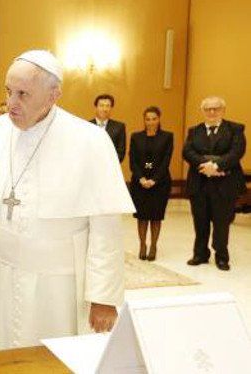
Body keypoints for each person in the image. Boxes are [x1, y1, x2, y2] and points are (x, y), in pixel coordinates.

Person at [0, 50, 134, 352]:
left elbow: (105, 228)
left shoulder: (91, 142)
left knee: (53, 359)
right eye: (8, 91)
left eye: (23, 94)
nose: (11, 103)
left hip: (58, 285)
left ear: (53, 95)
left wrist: (103, 298)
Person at [183, 97, 246, 271]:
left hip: (224, 185)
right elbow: (187, 152)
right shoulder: (194, 131)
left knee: (221, 223)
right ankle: (200, 254)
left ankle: (222, 257)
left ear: (223, 110)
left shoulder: (235, 129)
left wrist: (217, 166)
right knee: (200, 221)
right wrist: (205, 166)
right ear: (203, 111)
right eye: (208, 109)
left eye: (216, 108)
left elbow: (237, 152)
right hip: (199, 184)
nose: (212, 112)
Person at [129, 107, 173, 261]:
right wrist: (141, 178)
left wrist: (154, 179)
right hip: (139, 183)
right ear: (144, 120)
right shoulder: (136, 137)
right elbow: (133, 160)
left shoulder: (167, 137)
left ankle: (153, 245)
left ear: (159, 119)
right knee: (142, 216)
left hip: (160, 183)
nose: (151, 122)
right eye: (148, 119)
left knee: (155, 216)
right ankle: (142, 245)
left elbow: (166, 161)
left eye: (154, 119)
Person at [90, 94, 127, 162]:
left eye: (108, 106)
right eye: (101, 105)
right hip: (90, 165)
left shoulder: (119, 127)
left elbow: (121, 152)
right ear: (96, 107)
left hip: (111, 166)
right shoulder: (87, 126)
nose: (104, 109)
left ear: (111, 108)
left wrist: (107, 164)